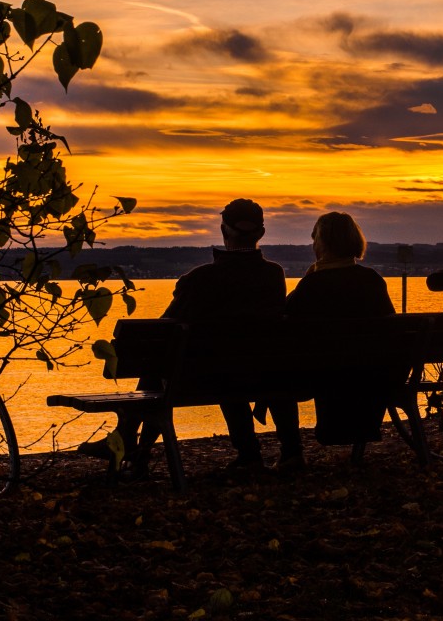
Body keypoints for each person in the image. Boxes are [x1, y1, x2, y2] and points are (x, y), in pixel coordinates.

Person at [79, 199, 302, 475]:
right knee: (201, 363)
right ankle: (136, 449)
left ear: (224, 230)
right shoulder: (273, 275)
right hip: (263, 373)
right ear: (261, 233)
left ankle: (132, 446)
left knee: (161, 361)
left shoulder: (201, 278)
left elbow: (163, 330)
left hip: (207, 378)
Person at [285, 212, 396, 453]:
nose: (313, 243)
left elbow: (286, 318)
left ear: (323, 243)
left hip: (326, 375)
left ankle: (291, 453)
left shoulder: (313, 285)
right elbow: (390, 327)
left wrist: (308, 278)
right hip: (373, 374)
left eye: (314, 238)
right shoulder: (372, 280)